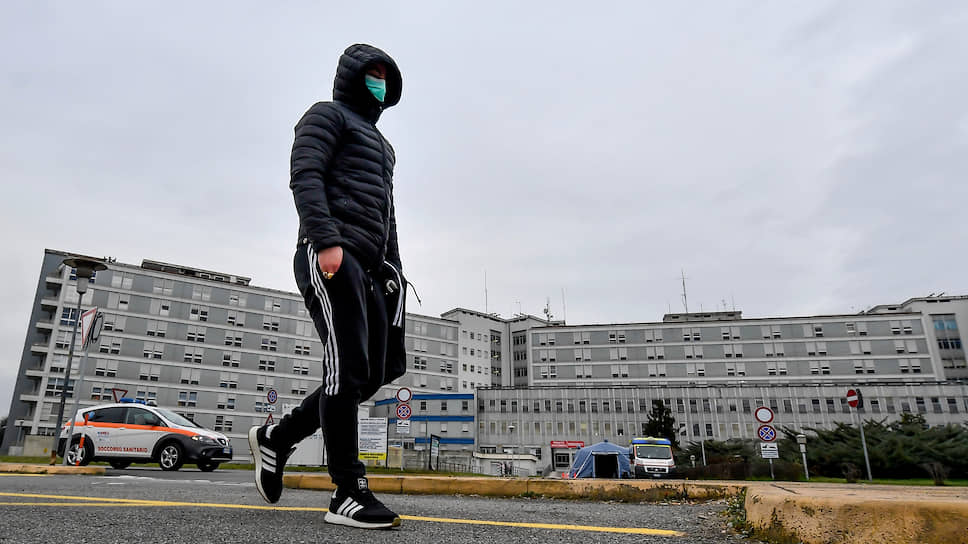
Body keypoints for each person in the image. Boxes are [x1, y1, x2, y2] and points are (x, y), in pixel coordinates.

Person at [248, 43, 407, 530]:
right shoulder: (326, 115)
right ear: (352, 76)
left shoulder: (384, 147)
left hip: (372, 269)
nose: (379, 82)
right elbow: (306, 175)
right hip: (332, 255)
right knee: (345, 368)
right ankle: (346, 491)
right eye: (372, 73)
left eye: (385, 76)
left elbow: (386, 215)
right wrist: (325, 240)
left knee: (372, 373)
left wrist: (395, 271)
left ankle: (278, 438)